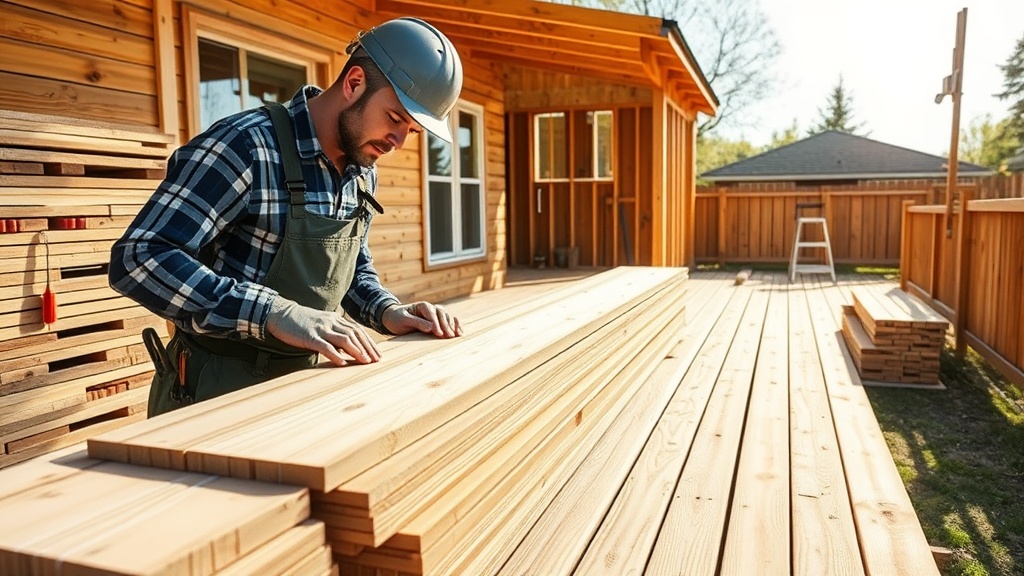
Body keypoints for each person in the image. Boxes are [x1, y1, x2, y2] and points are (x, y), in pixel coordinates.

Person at [109, 17, 464, 417]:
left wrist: (387, 311)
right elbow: (138, 257)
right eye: (396, 119)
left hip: (310, 384)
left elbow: (350, 270)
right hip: (215, 390)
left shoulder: (362, 168)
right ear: (354, 83)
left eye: (412, 132)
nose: (398, 142)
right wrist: (271, 312)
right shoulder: (246, 147)